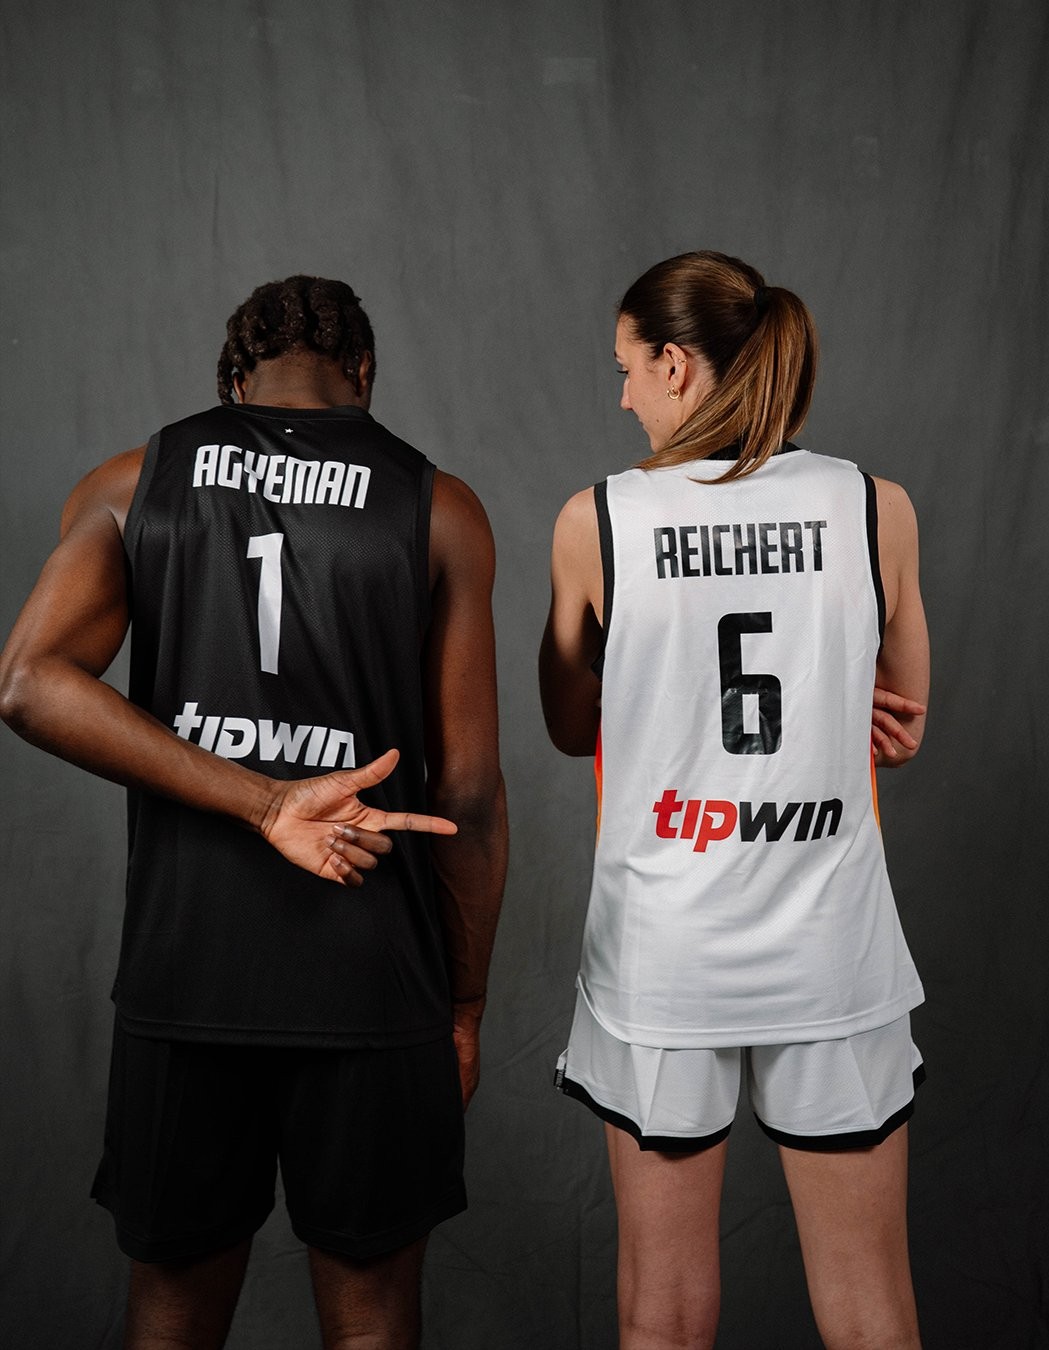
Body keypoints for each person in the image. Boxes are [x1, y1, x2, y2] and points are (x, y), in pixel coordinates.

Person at [0, 275, 508, 1350]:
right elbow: (466, 792)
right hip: (376, 984)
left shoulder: (131, 483)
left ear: (232, 378)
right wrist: (464, 1008)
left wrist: (261, 800)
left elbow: (30, 682)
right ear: (363, 374)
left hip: (186, 972)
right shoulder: (440, 507)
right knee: (371, 1328)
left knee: (171, 1324)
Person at [540, 251, 929, 1350]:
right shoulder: (876, 507)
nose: (624, 398)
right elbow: (904, 721)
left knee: (662, 1317)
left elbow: (569, 726)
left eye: (627, 369)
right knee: (871, 1311)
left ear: (675, 364)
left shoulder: (598, 519)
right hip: (830, 943)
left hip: (666, 948)